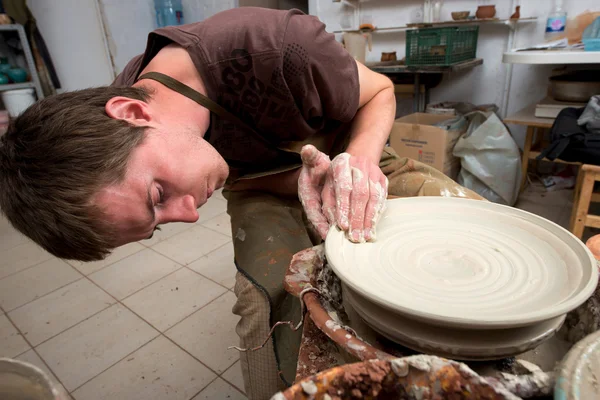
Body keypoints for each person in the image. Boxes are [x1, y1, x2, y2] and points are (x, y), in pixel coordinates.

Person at [0, 7, 479, 399]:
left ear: (133, 113)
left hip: (349, 150)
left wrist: (356, 163)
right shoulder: (133, 128)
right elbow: (239, 191)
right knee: (267, 302)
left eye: (157, 196)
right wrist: (291, 186)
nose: (190, 214)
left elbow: (380, 91)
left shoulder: (277, 46)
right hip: (259, 182)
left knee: (466, 227)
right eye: (159, 225)